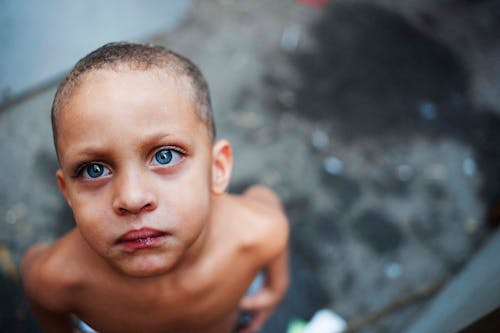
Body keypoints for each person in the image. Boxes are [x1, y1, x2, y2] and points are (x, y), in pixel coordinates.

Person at [21, 42, 289, 333]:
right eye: (94, 170)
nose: (132, 198)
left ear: (217, 169)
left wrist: (275, 287)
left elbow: (269, 207)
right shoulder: (58, 280)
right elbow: (33, 276)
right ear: (68, 192)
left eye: (165, 155)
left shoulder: (256, 234)